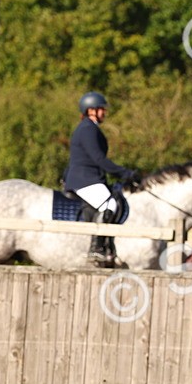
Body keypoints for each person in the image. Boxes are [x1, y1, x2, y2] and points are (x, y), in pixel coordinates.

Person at [64, 91, 139, 267]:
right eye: (101, 109)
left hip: (89, 177)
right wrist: (124, 173)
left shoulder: (89, 128)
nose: (104, 112)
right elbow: (99, 159)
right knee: (109, 204)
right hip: (84, 179)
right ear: (91, 110)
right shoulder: (88, 129)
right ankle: (97, 248)